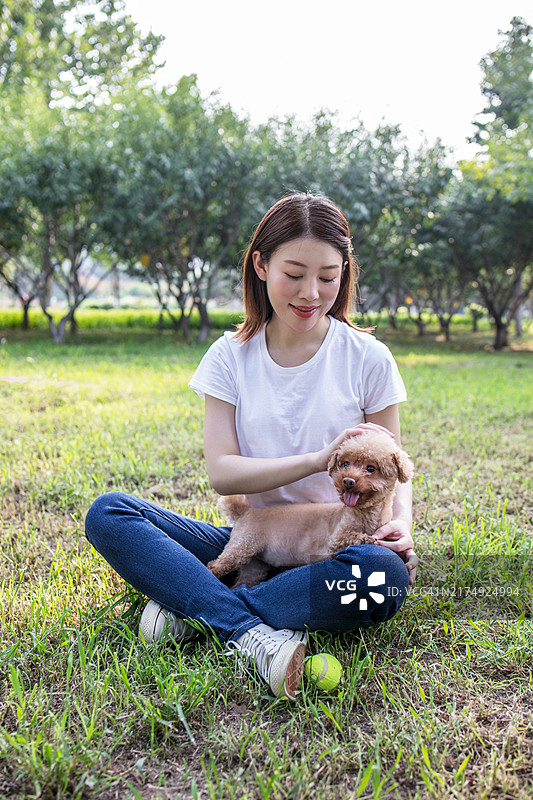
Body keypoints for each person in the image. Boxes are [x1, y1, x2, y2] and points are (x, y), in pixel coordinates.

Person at [85, 192, 417, 701]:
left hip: (336, 548)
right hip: (258, 536)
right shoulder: (229, 356)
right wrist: (317, 460)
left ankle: (196, 606)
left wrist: (401, 527)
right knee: (110, 513)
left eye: (328, 277)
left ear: (344, 275)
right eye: (294, 274)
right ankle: (250, 628)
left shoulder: (368, 357)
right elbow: (223, 473)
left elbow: (394, 465)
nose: (311, 292)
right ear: (261, 266)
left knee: (385, 577)